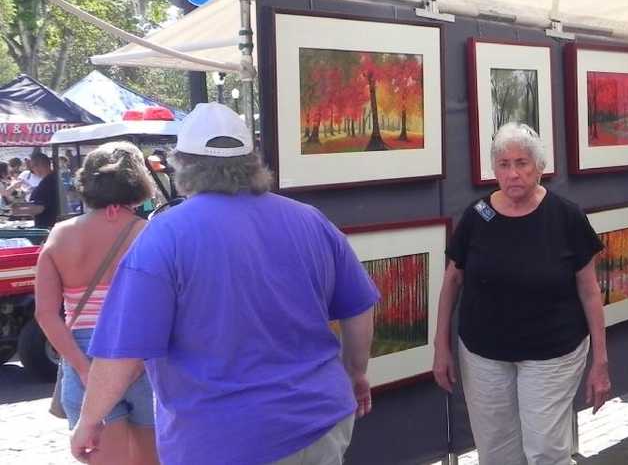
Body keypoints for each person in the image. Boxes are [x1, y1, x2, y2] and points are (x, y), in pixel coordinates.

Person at [70, 103, 380, 465]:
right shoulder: (310, 220)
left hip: (220, 438)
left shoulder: (165, 237)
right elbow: (359, 309)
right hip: (320, 420)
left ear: (181, 164)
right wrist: (356, 372)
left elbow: (122, 352)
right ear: (252, 162)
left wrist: (90, 420)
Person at [434, 122, 611, 465]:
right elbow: (452, 282)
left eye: (522, 163)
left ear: (539, 167)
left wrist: (600, 361)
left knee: (546, 450)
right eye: (504, 164)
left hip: (553, 352)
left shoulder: (566, 217)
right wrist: (441, 345)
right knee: (497, 453)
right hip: (483, 353)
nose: (513, 173)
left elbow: (590, 293)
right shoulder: (477, 217)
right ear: (494, 169)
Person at [34, 142, 158, 465]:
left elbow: (46, 314)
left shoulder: (60, 235)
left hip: (82, 354)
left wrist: (85, 369)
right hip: (141, 355)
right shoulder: (150, 234)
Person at [14, 151, 60, 229]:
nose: (32, 170)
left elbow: (40, 208)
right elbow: (43, 203)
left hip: (47, 227)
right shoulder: (52, 179)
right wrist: (22, 205)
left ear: (38, 166)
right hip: (50, 225)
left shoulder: (47, 183)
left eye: (32, 167)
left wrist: (18, 211)